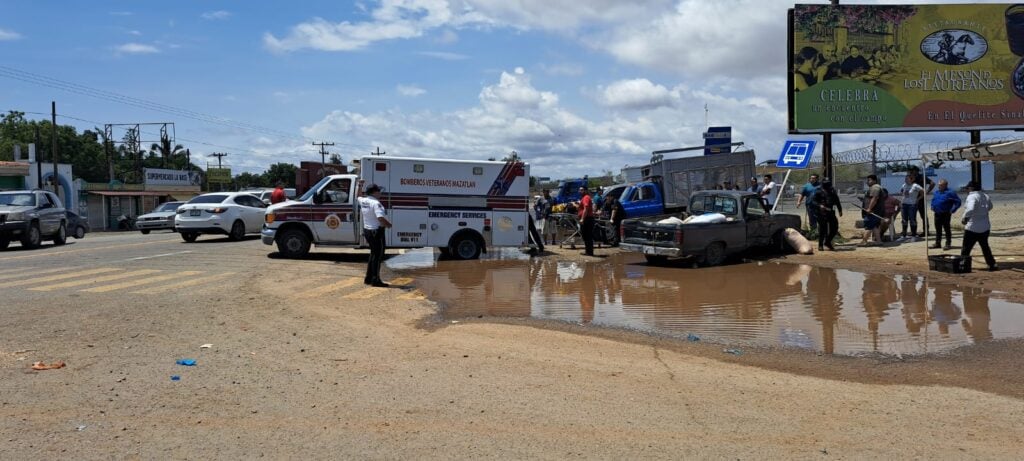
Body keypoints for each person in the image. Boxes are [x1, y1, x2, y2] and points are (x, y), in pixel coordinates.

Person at [357, 182, 392, 287]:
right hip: (376, 232)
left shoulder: (363, 200)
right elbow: (380, 218)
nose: (380, 193)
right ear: (374, 192)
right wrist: (388, 224)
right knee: (378, 256)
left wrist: (359, 186)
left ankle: (368, 278)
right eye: (378, 191)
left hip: (367, 231)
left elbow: (358, 196)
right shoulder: (376, 203)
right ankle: (375, 279)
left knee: (373, 254)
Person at [960, 181, 998, 271]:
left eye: (968, 188)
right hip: (985, 226)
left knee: (966, 248)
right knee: (985, 247)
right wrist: (982, 212)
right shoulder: (985, 195)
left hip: (972, 227)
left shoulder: (972, 196)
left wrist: (965, 218)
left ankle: (963, 266)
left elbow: (970, 208)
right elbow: (990, 206)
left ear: (972, 188)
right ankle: (992, 265)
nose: (967, 190)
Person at [930, 179, 961, 250]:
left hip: (946, 213)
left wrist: (953, 210)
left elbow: (958, 202)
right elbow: (933, 200)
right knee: (938, 229)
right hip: (937, 213)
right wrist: (932, 205)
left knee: (946, 229)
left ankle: (948, 244)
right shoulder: (936, 192)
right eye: (938, 185)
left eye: (941, 185)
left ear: (945, 185)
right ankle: (937, 243)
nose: (939, 186)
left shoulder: (950, 192)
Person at [812, 177, 842, 251]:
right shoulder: (818, 191)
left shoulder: (832, 190)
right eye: (825, 183)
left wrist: (840, 210)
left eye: (828, 183)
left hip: (830, 212)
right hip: (821, 213)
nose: (827, 184)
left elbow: (837, 200)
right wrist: (820, 205)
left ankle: (827, 242)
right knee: (823, 229)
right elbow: (813, 201)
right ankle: (820, 245)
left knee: (834, 228)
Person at [859, 175, 884, 246]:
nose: (867, 182)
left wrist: (869, 208)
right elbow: (871, 198)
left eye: (869, 180)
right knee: (875, 226)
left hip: (873, 211)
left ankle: (864, 241)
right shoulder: (874, 188)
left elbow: (875, 198)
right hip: (876, 211)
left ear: (874, 181)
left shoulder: (875, 187)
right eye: (867, 180)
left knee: (869, 226)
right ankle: (879, 241)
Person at [898, 175, 924, 241]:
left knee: (912, 220)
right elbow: (901, 192)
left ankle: (914, 235)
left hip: (912, 205)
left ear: (912, 179)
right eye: (905, 179)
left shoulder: (915, 186)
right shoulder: (904, 185)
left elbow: (923, 192)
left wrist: (917, 199)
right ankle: (904, 235)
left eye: (907, 179)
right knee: (904, 220)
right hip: (904, 205)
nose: (906, 180)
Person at [577, 186, 595, 256]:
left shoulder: (586, 197)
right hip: (587, 219)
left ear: (586, 191)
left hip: (587, 219)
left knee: (587, 236)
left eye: (582, 190)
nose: (580, 191)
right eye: (579, 190)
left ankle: (589, 252)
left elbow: (586, 208)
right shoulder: (585, 198)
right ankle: (588, 251)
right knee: (586, 236)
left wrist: (582, 218)